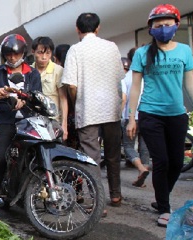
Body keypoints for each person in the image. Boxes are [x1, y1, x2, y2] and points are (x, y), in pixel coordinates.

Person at [127, 4, 193, 227]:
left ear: (176, 25)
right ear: (151, 28)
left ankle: (161, 197)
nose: (163, 28)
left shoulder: (184, 51)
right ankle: (165, 208)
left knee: (177, 162)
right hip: (150, 114)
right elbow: (135, 88)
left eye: (167, 24)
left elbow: (190, 82)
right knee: (162, 161)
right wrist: (132, 117)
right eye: (158, 25)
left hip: (177, 115)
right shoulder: (141, 54)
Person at [61, 12, 126, 208]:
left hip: (88, 110)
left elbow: (71, 85)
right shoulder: (112, 47)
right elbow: (119, 79)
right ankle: (115, 195)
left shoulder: (75, 50)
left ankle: (98, 203)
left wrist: (77, 99)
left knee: (91, 158)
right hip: (111, 109)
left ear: (77, 29)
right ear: (98, 28)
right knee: (113, 154)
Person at [0, 34, 42, 217]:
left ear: (22, 53)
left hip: (29, 121)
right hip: (5, 120)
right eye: (9, 54)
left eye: (16, 54)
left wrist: (27, 101)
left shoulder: (33, 73)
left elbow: (38, 97)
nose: (12, 58)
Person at [121, 46, 150, 187]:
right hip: (147, 115)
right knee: (145, 147)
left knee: (128, 146)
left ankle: (141, 168)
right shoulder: (148, 75)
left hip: (130, 116)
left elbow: (123, 98)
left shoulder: (126, 77)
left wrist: (120, 116)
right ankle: (142, 173)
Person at [31, 36, 67, 139]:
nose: (44, 57)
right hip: (34, 123)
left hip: (53, 123)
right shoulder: (28, 71)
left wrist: (64, 125)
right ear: (33, 52)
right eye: (40, 53)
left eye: (48, 53)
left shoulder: (58, 70)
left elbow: (63, 99)